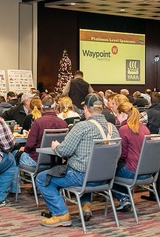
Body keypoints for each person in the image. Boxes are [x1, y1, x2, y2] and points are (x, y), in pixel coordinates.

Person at [35, 94, 119, 227]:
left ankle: (61, 214)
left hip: (82, 178)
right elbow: (116, 154)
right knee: (85, 165)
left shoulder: (81, 127)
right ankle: (86, 206)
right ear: (101, 108)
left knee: (42, 178)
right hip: (105, 178)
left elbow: (64, 151)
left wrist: (56, 146)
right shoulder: (112, 128)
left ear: (86, 108)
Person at [111, 101, 150, 212]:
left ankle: (123, 198)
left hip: (133, 171)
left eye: (117, 115)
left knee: (106, 174)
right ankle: (125, 198)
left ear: (123, 114)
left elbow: (122, 155)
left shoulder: (124, 130)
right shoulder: (145, 129)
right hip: (146, 171)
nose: (117, 118)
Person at [16, 96, 67, 168]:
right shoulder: (63, 123)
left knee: (13, 155)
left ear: (42, 108)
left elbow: (30, 146)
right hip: (56, 161)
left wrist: (24, 148)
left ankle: (17, 178)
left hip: (36, 161)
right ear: (55, 107)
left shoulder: (38, 123)